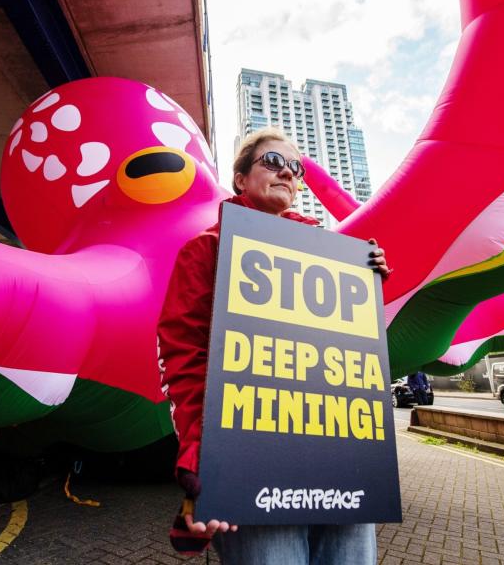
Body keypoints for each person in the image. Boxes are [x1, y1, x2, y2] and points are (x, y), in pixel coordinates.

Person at [158, 128, 392, 563]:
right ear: (242, 179)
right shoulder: (205, 250)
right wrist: (201, 459)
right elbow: (181, 361)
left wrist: (364, 282)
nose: (286, 170)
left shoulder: (334, 257)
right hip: (253, 467)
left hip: (340, 464)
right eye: (271, 161)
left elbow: (350, 359)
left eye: (296, 168)